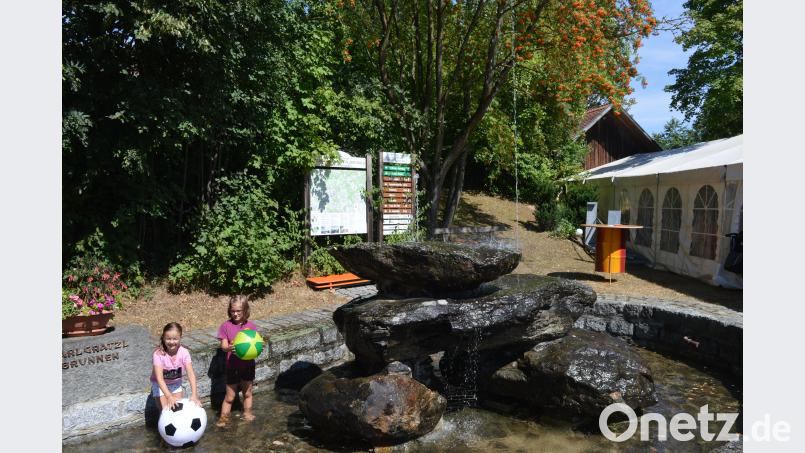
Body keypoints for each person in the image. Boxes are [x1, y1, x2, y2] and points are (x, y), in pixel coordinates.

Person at [216, 295, 260, 426]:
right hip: (232, 366)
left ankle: (247, 413)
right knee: (230, 397)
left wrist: (259, 346)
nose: (235, 314)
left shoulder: (251, 327)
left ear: (245, 310)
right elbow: (224, 346)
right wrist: (229, 347)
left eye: (238, 311)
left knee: (248, 393)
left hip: (248, 365)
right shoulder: (225, 326)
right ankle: (223, 418)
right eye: (232, 311)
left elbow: (256, 345)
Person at [150, 322, 202, 411]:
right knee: (165, 411)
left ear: (180, 338)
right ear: (163, 338)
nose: (171, 342)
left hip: (175, 383)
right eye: (168, 339)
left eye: (175, 339)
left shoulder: (184, 353)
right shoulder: (158, 354)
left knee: (178, 410)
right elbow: (159, 378)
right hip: (160, 385)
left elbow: (190, 374)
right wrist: (169, 396)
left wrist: (194, 395)